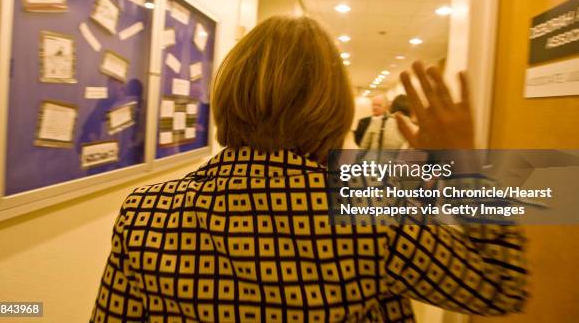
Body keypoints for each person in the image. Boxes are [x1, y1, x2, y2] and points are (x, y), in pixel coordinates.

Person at [90, 16, 528, 322]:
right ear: (332, 109)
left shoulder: (146, 210)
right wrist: (465, 168)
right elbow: (501, 285)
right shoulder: (375, 214)